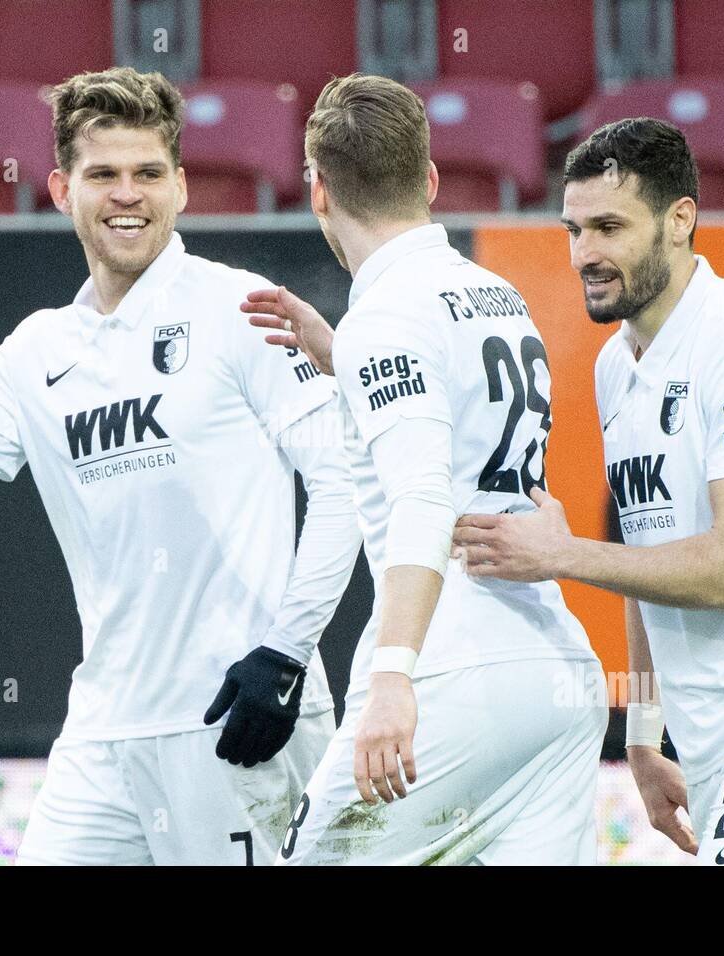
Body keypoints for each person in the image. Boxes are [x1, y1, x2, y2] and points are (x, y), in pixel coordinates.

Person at [0, 66, 361, 866]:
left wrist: (287, 656)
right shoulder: (37, 351)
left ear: (181, 188)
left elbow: (342, 486)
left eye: (149, 173)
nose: (128, 195)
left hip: (239, 717)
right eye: (103, 174)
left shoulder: (239, 308)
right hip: (104, 735)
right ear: (58, 188)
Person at [450, 118, 724, 864]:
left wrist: (563, 555)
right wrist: (644, 733)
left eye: (609, 227)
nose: (584, 253)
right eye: (574, 229)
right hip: (713, 734)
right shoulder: (615, 366)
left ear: (680, 219)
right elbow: (647, 549)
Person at [245, 74, 605, 865]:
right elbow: (452, 423)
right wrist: (341, 355)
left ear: (319, 190)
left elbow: (421, 497)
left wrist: (392, 677)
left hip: (452, 675)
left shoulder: (385, 316)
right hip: (555, 679)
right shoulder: (494, 292)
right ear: (431, 180)